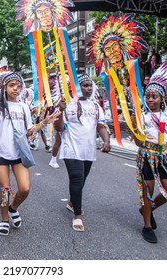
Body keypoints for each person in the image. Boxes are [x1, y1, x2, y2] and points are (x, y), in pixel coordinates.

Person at [0, 72, 60, 236]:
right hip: (1, 154)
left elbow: (29, 131)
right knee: (5, 190)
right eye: (12, 85)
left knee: (25, 188)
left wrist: (45, 122)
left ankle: (13, 208)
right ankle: (4, 219)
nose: (15, 88)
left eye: (18, 85)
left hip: (19, 153)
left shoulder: (24, 107)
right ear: (4, 88)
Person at [130, 59, 167, 243]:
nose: (150, 99)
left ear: (162, 99)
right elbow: (137, 142)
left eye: (154, 96)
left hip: (163, 157)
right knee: (148, 189)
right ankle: (147, 226)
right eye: (148, 96)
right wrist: (135, 127)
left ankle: (148, 208)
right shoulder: (142, 117)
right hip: (146, 156)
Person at [54, 73, 111, 232]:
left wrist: (106, 141)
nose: (88, 88)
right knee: (77, 178)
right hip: (71, 148)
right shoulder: (68, 104)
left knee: (82, 179)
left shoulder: (95, 106)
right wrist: (60, 110)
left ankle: (72, 202)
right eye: (85, 85)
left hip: (88, 150)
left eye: (90, 85)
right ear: (76, 87)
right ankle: (77, 215)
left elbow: (100, 126)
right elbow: (59, 128)